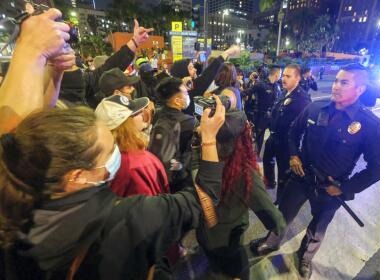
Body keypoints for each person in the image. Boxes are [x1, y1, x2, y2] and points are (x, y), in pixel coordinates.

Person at [0, 9, 226, 279]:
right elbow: (203, 203)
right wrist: (210, 138)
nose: (116, 155)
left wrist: (47, 67)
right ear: (78, 176)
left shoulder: (21, 194)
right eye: (108, 152)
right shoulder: (126, 219)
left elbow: (19, 133)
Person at [251, 63, 380, 279]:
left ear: (360, 89)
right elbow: (293, 133)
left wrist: (346, 188)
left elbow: (379, 168)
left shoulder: (370, 125)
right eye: (336, 81)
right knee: (283, 214)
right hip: (300, 177)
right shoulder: (316, 108)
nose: (336, 86)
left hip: (331, 187)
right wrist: (294, 155)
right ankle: (271, 242)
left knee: (318, 228)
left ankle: (305, 257)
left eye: (344, 82)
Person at [195, 111, 286, 279]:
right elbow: (274, 218)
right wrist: (279, 225)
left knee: (214, 264)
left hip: (203, 231)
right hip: (228, 240)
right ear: (242, 139)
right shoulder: (244, 174)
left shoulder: (205, 156)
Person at [95, 95, 169, 196]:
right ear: (126, 124)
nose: (144, 114)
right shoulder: (138, 164)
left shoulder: (100, 157)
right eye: (138, 113)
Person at [263, 64, 311, 201]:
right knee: (267, 160)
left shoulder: (303, 99)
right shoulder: (284, 92)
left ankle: (280, 200)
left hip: (286, 142)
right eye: (283, 75)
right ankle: (270, 181)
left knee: (284, 173)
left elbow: (303, 128)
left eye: (288, 76)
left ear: (298, 78)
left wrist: (295, 152)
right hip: (274, 137)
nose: (283, 79)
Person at [149, 77, 197, 192]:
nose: (187, 94)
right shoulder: (189, 122)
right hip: (181, 181)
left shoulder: (157, 114)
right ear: (176, 101)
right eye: (185, 93)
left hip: (159, 177)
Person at [170, 45, 241, 115]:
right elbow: (207, 75)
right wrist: (227, 52)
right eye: (191, 68)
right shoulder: (191, 87)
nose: (195, 70)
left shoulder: (174, 90)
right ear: (183, 72)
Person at [243, 66, 282, 154]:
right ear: (276, 74)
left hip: (273, 117)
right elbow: (247, 92)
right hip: (261, 116)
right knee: (259, 138)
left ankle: (271, 154)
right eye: (281, 74)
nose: (281, 76)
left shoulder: (277, 86)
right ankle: (255, 158)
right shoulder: (260, 84)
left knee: (275, 135)